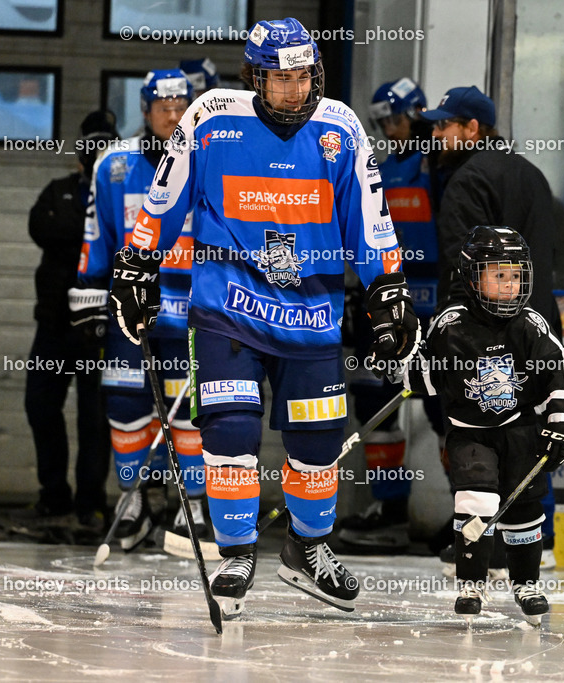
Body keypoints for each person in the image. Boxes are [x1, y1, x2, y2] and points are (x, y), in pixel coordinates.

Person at [106, 17, 419, 618]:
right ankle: (236, 553)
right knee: (230, 431)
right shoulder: (209, 118)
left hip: (313, 314)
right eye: (280, 79)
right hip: (226, 309)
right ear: (255, 77)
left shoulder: (340, 126)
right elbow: (163, 200)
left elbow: (371, 218)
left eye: (303, 77)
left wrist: (388, 288)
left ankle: (308, 549)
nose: (294, 91)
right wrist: (137, 265)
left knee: (318, 443)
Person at [404, 225, 564, 625]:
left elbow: (558, 373)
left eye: (516, 275)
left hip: (520, 431)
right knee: (476, 502)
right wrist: (401, 355)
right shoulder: (451, 324)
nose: (509, 285)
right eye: (499, 274)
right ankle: (471, 583)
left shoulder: (530, 324)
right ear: (472, 276)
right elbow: (425, 380)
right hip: (470, 432)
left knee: (524, 506)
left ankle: (526, 583)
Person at [423, 85, 564, 570]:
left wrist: (451, 336)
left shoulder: (466, 180)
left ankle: (485, 537)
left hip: (487, 335)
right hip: (538, 323)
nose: (436, 135)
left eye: (444, 126)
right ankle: (536, 537)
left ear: (472, 129)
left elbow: (462, 267)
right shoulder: (532, 173)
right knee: (530, 431)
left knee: (479, 430)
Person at [70, 70, 210, 557]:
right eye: (163, 108)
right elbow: (96, 233)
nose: (172, 116)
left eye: (180, 107)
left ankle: (193, 506)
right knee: (127, 410)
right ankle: (136, 501)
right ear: (146, 110)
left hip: (192, 313)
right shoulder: (114, 164)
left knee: (190, 416)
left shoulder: (210, 157)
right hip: (130, 312)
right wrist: (89, 294)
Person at [338, 77, 445, 552]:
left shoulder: (438, 168)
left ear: (418, 114)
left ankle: (468, 511)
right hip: (384, 302)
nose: (390, 129)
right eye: (382, 122)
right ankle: (391, 506)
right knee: (372, 400)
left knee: (447, 407)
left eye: (396, 119)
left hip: (436, 304)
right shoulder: (378, 170)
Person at [23, 110, 117, 527]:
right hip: (55, 323)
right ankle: (54, 494)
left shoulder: (121, 194)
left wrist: (81, 233)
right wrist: (85, 234)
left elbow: (115, 240)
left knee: (94, 418)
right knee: (40, 405)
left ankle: (90, 501)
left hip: (100, 327)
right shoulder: (57, 190)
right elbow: (41, 228)